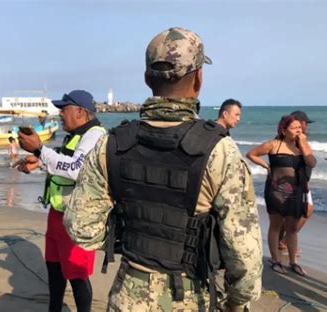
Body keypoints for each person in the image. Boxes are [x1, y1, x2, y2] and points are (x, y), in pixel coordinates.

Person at [64, 27, 262, 312]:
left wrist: (130, 227)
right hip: (190, 298)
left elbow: (81, 229)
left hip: (127, 297)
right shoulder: (219, 151)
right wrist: (235, 303)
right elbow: (245, 256)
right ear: (199, 79)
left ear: (147, 79)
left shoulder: (111, 144)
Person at [17, 90, 106, 312]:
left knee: (77, 276)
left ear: (80, 112)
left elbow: (76, 170)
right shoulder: (75, 134)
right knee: (54, 270)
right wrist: (38, 163)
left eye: (63, 109)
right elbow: (64, 165)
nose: (59, 114)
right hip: (57, 215)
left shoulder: (95, 135)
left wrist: (39, 149)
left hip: (78, 218)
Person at [247, 115, 316, 276]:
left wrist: (303, 143)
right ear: (284, 130)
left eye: (300, 127)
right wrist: (266, 166)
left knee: (292, 229)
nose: (298, 130)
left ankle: (293, 263)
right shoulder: (274, 144)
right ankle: (276, 260)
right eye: (294, 128)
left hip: (296, 191)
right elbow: (252, 154)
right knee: (276, 226)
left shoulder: (303, 146)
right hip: (275, 191)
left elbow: (311, 163)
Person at [277, 110, 315, 252]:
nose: (306, 126)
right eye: (305, 123)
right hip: (294, 182)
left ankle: (284, 240)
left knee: (303, 211)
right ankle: (283, 241)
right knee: (303, 211)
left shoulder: (300, 139)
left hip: (302, 182)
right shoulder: (291, 139)